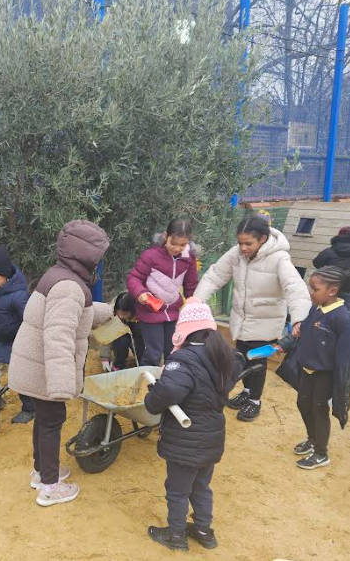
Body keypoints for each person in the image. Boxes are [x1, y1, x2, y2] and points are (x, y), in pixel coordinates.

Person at [8, 220, 113, 507]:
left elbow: (77, 312)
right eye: (98, 257)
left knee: (44, 420)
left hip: (35, 367)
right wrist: (62, 385)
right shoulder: (69, 287)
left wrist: (111, 311)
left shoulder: (60, 276)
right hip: (46, 371)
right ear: (86, 256)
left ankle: (41, 472)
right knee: (52, 421)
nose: (99, 263)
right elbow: (59, 336)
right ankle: (50, 487)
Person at [144, 298, 242, 552]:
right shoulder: (223, 355)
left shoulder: (184, 360)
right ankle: (203, 531)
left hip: (185, 439)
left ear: (184, 329)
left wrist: (152, 396)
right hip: (211, 438)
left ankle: (176, 535)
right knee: (201, 486)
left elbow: (168, 393)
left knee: (177, 490)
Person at [194, 215, 311, 422]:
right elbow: (215, 276)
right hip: (242, 320)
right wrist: (196, 302)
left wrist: (299, 318)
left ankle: (255, 401)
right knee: (243, 358)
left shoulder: (279, 258)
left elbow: (295, 288)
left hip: (266, 321)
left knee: (257, 362)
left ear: (262, 239)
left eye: (248, 243)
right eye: (240, 243)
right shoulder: (236, 254)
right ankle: (247, 392)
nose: (243, 248)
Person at [288, 266, 350, 470]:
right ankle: (312, 439)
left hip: (325, 375)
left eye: (315, 289)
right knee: (303, 404)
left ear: (332, 291)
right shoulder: (315, 308)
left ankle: (321, 453)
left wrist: (342, 384)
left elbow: (344, 355)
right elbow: (305, 329)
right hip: (307, 370)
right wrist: (293, 334)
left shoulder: (341, 317)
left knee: (319, 410)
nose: (310, 293)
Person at [127, 219, 199, 367]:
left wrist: (194, 305)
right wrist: (140, 293)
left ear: (188, 242)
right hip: (150, 312)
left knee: (173, 352)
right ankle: (146, 379)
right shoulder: (151, 256)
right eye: (173, 243)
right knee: (153, 353)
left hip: (173, 312)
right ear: (166, 236)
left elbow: (190, 285)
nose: (177, 248)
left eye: (182, 245)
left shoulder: (189, 259)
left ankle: (169, 379)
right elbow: (134, 277)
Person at [0, 245, 35, 424]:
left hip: (17, 342)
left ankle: (30, 408)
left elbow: (29, 323)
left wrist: (27, 347)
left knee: (19, 373)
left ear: (5, 275)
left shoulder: (19, 297)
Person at [99, 292, 145, 372]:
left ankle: (142, 362)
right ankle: (119, 364)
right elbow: (106, 336)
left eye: (124, 314)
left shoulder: (142, 311)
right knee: (121, 340)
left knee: (138, 338)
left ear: (132, 311)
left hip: (137, 326)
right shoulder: (111, 313)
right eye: (119, 313)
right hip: (120, 331)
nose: (121, 316)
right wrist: (105, 358)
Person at [313, 226, 350, 307]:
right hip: (348, 289)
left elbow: (316, 263)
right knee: (345, 312)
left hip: (328, 287)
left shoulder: (328, 251)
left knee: (320, 310)